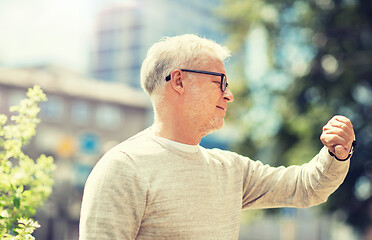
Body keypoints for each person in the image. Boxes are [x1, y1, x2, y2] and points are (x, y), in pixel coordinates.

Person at [79, 34, 356, 239]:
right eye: (219, 81)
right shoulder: (123, 167)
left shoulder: (231, 169)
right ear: (178, 81)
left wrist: (337, 153)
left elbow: (306, 188)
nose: (229, 94)